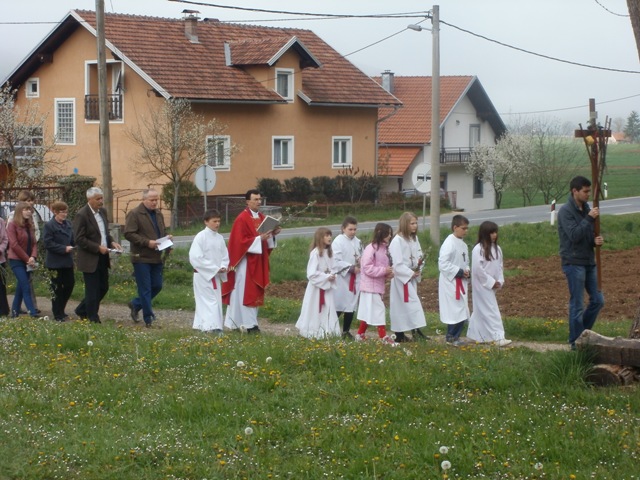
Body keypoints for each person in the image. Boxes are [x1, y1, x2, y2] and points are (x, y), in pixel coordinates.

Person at [222, 189, 281, 333]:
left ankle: (243, 323)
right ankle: (247, 325)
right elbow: (238, 242)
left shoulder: (262, 217)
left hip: (258, 260)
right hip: (245, 262)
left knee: (253, 291)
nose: (258, 202)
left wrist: (272, 234)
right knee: (245, 291)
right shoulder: (242, 218)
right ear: (247, 202)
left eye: (260, 199)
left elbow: (264, 239)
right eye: (255, 199)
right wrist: (258, 239)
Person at [558, 175, 605, 349]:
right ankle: (575, 344)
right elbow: (574, 235)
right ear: (575, 191)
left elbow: (586, 235)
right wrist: (589, 219)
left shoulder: (586, 209)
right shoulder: (565, 212)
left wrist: (595, 241)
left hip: (588, 261)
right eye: (585, 191)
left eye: (588, 191)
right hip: (573, 262)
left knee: (598, 300)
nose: (587, 195)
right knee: (577, 305)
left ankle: (581, 335)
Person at [73, 187, 122, 324]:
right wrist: (97, 247)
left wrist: (112, 242)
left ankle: (82, 309)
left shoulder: (102, 212)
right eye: (98, 199)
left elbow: (104, 233)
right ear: (89, 199)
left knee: (103, 287)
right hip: (89, 258)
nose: (101, 201)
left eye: (101, 198)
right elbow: (79, 238)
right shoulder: (82, 215)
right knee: (92, 290)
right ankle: (92, 317)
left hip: (103, 256)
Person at [124, 189, 171, 328]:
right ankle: (148, 317)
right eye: (152, 200)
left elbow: (161, 231)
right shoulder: (134, 214)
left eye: (156, 199)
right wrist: (147, 242)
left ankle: (136, 304)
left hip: (156, 256)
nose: (155, 202)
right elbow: (128, 233)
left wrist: (168, 240)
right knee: (145, 288)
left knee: (157, 285)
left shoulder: (158, 214)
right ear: (144, 199)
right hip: (141, 257)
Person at [467, 221, 511, 346]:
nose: (494, 235)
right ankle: (498, 337)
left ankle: (478, 335)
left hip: (492, 284)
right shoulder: (478, 249)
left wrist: (499, 281)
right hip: (481, 285)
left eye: (495, 232)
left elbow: (499, 267)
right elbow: (477, 270)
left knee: (481, 309)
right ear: (485, 233)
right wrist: (491, 282)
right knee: (491, 310)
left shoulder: (497, 249)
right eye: (491, 232)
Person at [355, 223, 396, 345]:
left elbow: (382, 267)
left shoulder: (384, 250)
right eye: (387, 233)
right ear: (380, 233)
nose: (389, 236)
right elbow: (367, 267)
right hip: (370, 286)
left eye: (390, 233)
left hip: (377, 285)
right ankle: (383, 336)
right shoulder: (371, 248)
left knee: (369, 310)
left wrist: (388, 273)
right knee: (379, 310)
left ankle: (360, 334)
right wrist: (384, 271)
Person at [296, 227, 340, 339]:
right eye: (326, 235)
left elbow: (334, 267)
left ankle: (328, 331)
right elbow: (311, 274)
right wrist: (326, 277)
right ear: (320, 238)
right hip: (316, 289)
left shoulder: (331, 253)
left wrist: (333, 275)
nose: (329, 237)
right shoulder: (315, 253)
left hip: (327, 288)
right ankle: (313, 332)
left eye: (330, 235)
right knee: (314, 309)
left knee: (328, 308)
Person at [389, 212, 428, 342]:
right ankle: (399, 334)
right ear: (405, 224)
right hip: (401, 280)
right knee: (403, 306)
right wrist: (410, 272)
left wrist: (418, 268)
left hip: (411, 277)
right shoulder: (397, 241)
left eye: (416, 223)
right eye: (412, 223)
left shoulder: (413, 239)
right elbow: (397, 264)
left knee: (412, 305)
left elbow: (419, 255)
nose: (415, 226)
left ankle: (415, 331)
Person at [189, 209, 229, 334]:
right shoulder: (201, 237)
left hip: (215, 275)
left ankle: (203, 325)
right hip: (203, 275)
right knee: (208, 301)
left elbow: (225, 256)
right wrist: (213, 268)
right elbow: (195, 257)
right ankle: (212, 327)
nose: (217, 224)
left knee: (215, 301)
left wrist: (223, 266)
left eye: (219, 221)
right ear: (206, 222)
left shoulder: (219, 238)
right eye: (214, 221)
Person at [438, 214, 471, 345]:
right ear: (455, 227)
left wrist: (467, 270)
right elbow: (443, 264)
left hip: (461, 281)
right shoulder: (449, 243)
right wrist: (459, 272)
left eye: (467, 228)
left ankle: (456, 336)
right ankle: (450, 337)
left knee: (462, 309)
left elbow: (465, 261)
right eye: (463, 228)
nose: (466, 231)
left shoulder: (463, 244)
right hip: (451, 282)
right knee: (454, 310)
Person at [43, 201, 75, 322]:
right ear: (55, 212)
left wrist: (74, 246)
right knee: (56, 288)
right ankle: (57, 313)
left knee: (69, 284)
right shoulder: (49, 226)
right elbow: (48, 243)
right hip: (54, 262)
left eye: (66, 212)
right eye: (62, 212)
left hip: (67, 261)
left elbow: (72, 239)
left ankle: (61, 308)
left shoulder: (68, 224)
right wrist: (63, 248)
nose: (64, 214)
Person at [331, 216, 362, 339]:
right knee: (340, 304)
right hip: (342, 279)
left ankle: (346, 331)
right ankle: (330, 328)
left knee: (351, 305)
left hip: (355, 279)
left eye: (355, 229)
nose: (353, 232)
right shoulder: (338, 241)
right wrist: (350, 268)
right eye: (350, 229)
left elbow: (362, 256)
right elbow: (335, 260)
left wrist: (360, 263)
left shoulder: (358, 242)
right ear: (343, 229)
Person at [7, 202, 38, 317]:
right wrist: (27, 259)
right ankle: (33, 313)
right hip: (16, 260)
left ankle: (14, 312)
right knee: (25, 285)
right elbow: (14, 245)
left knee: (21, 286)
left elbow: (34, 243)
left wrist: (33, 257)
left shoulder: (29, 225)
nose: (29, 212)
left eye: (30, 210)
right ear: (20, 211)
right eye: (26, 209)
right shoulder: (12, 225)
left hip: (29, 260)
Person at [0, 215, 9, 316]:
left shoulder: (1, 221)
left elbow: (5, 239)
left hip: (0, 259)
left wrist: (1, 249)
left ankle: (3, 310)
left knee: (1, 285)